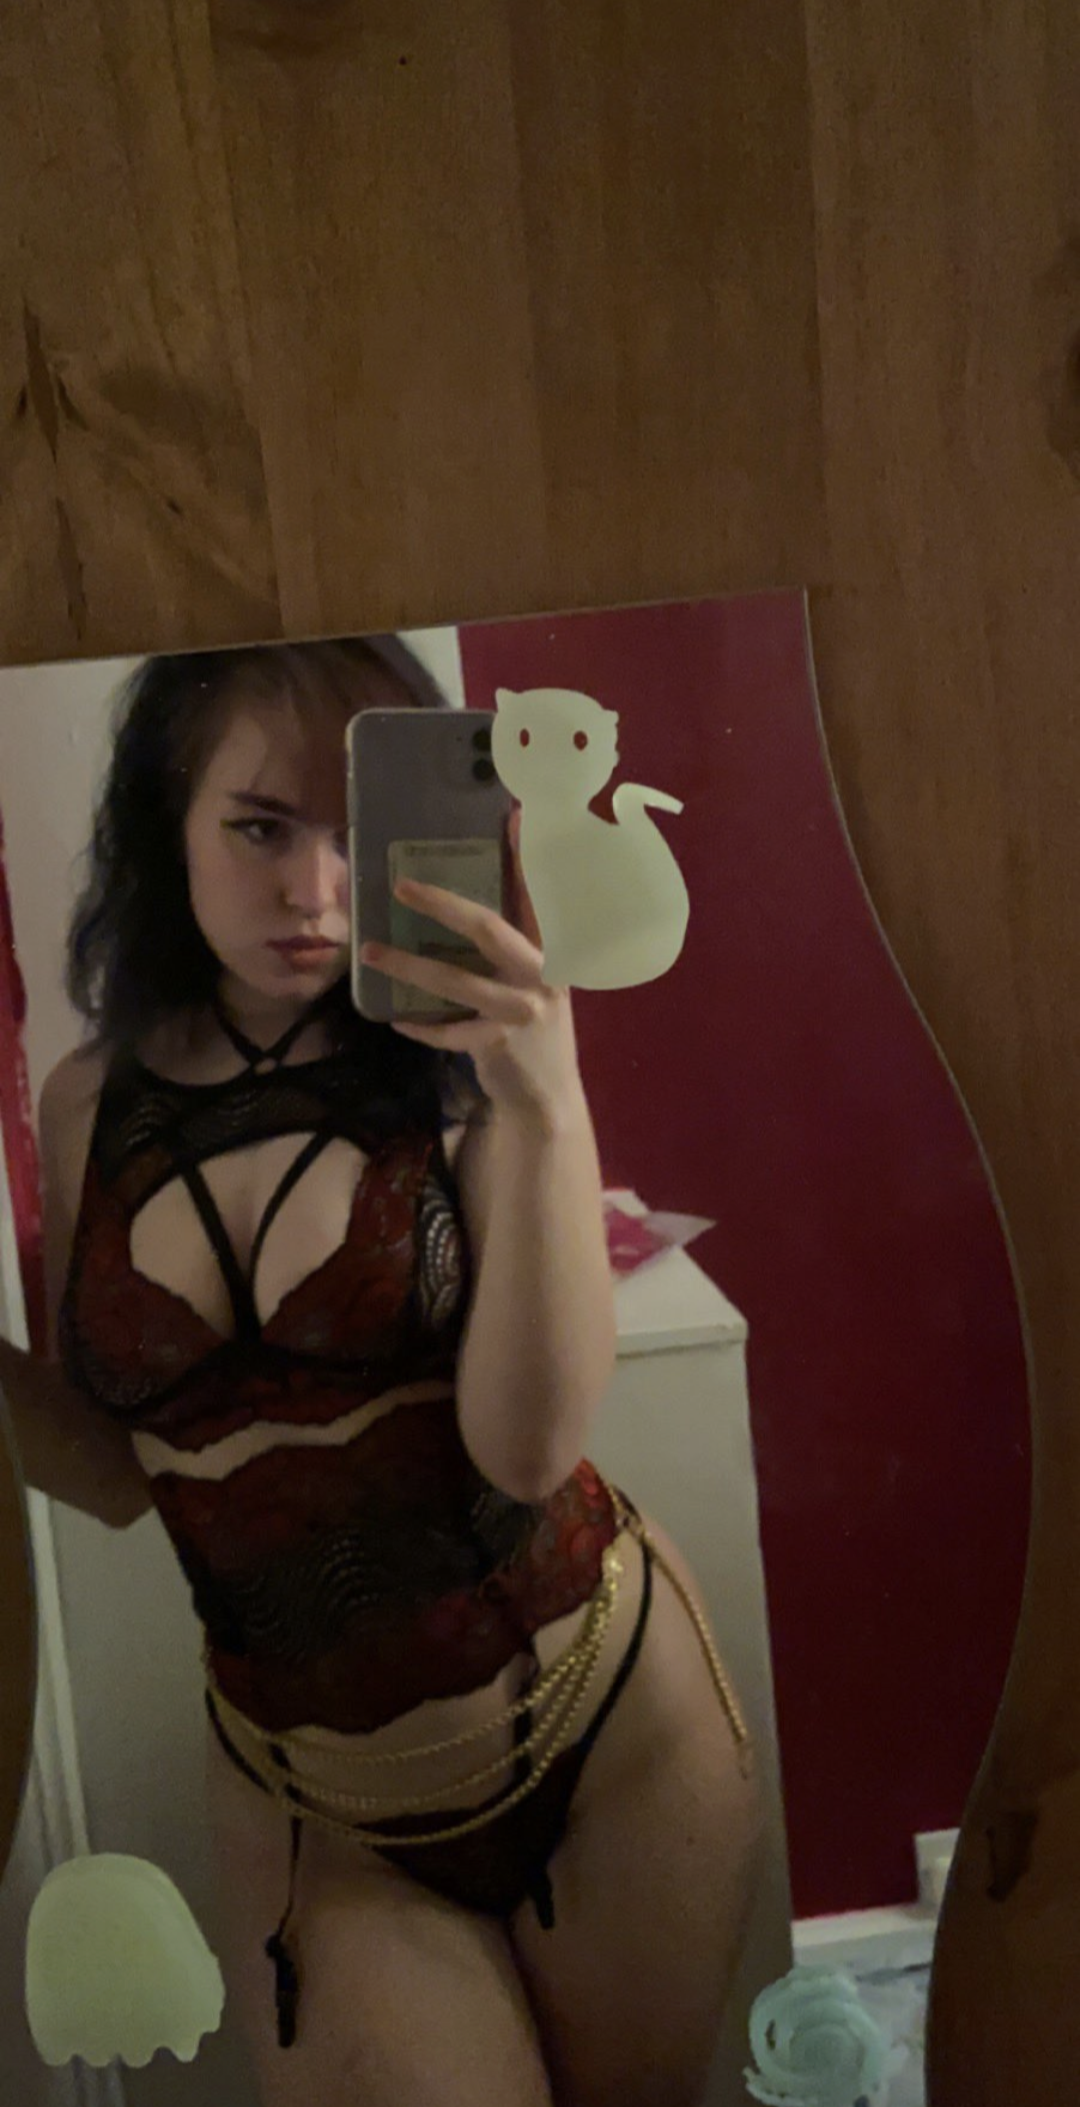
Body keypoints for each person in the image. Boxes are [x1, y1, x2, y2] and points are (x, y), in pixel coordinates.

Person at [0, 637, 762, 2107]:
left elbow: (528, 1449)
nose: (316, 889)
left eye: (357, 831)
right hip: (319, 1808)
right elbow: (111, 1471)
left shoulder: (469, 1065)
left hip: (604, 1727)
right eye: (259, 827)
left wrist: (545, 1099)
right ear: (168, 826)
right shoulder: (88, 1101)